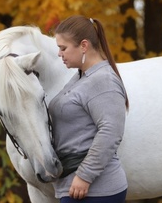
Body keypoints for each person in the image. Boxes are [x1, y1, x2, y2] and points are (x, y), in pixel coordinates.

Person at [48, 15, 129, 203]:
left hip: (95, 191)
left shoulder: (103, 80)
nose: (59, 54)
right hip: (74, 188)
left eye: (63, 48)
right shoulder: (81, 77)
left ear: (84, 46)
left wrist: (85, 176)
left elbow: (111, 131)